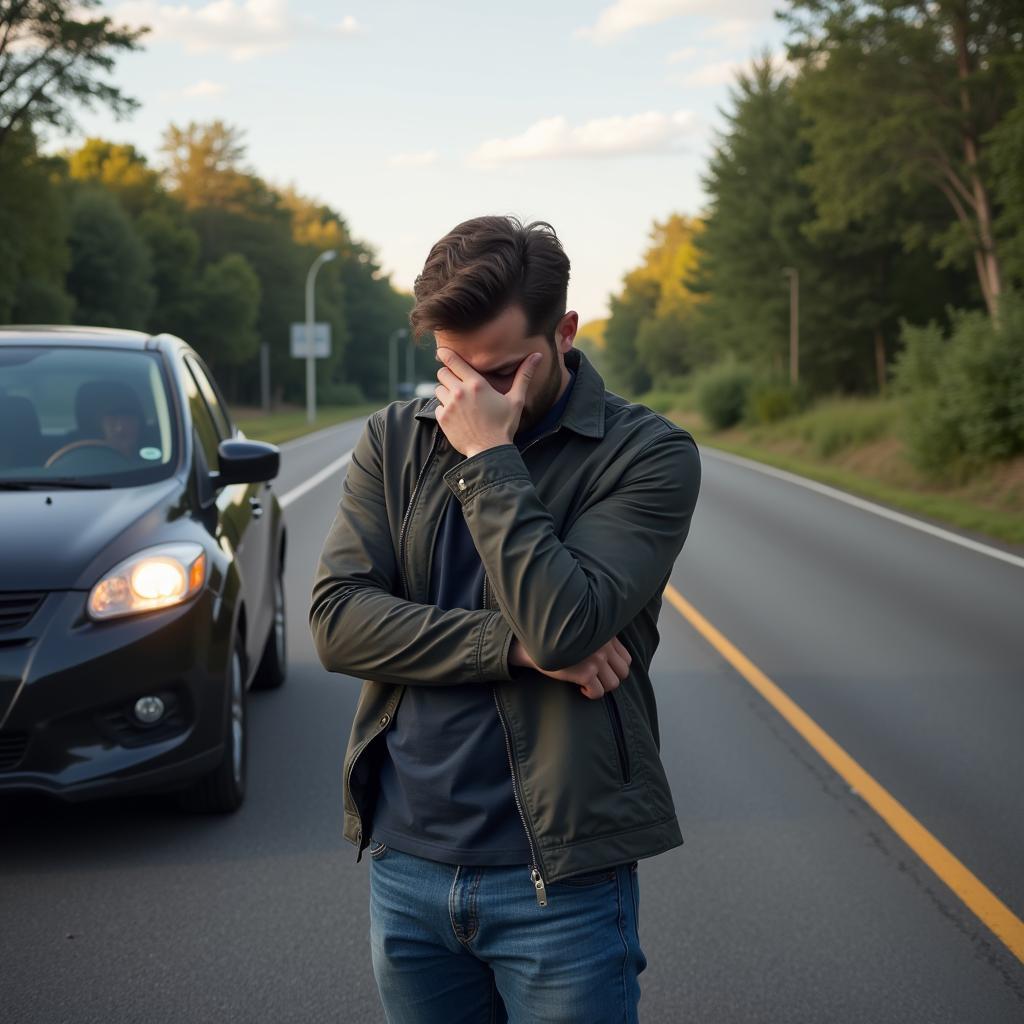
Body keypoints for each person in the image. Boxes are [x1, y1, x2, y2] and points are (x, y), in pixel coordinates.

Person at [310, 215, 702, 1023]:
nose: (469, 395)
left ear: (563, 333)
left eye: (496, 372)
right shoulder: (394, 439)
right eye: (451, 368)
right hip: (407, 862)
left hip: (558, 882)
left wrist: (490, 460)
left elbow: (565, 625)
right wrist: (510, 648)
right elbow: (337, 619)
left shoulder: (648, 455)